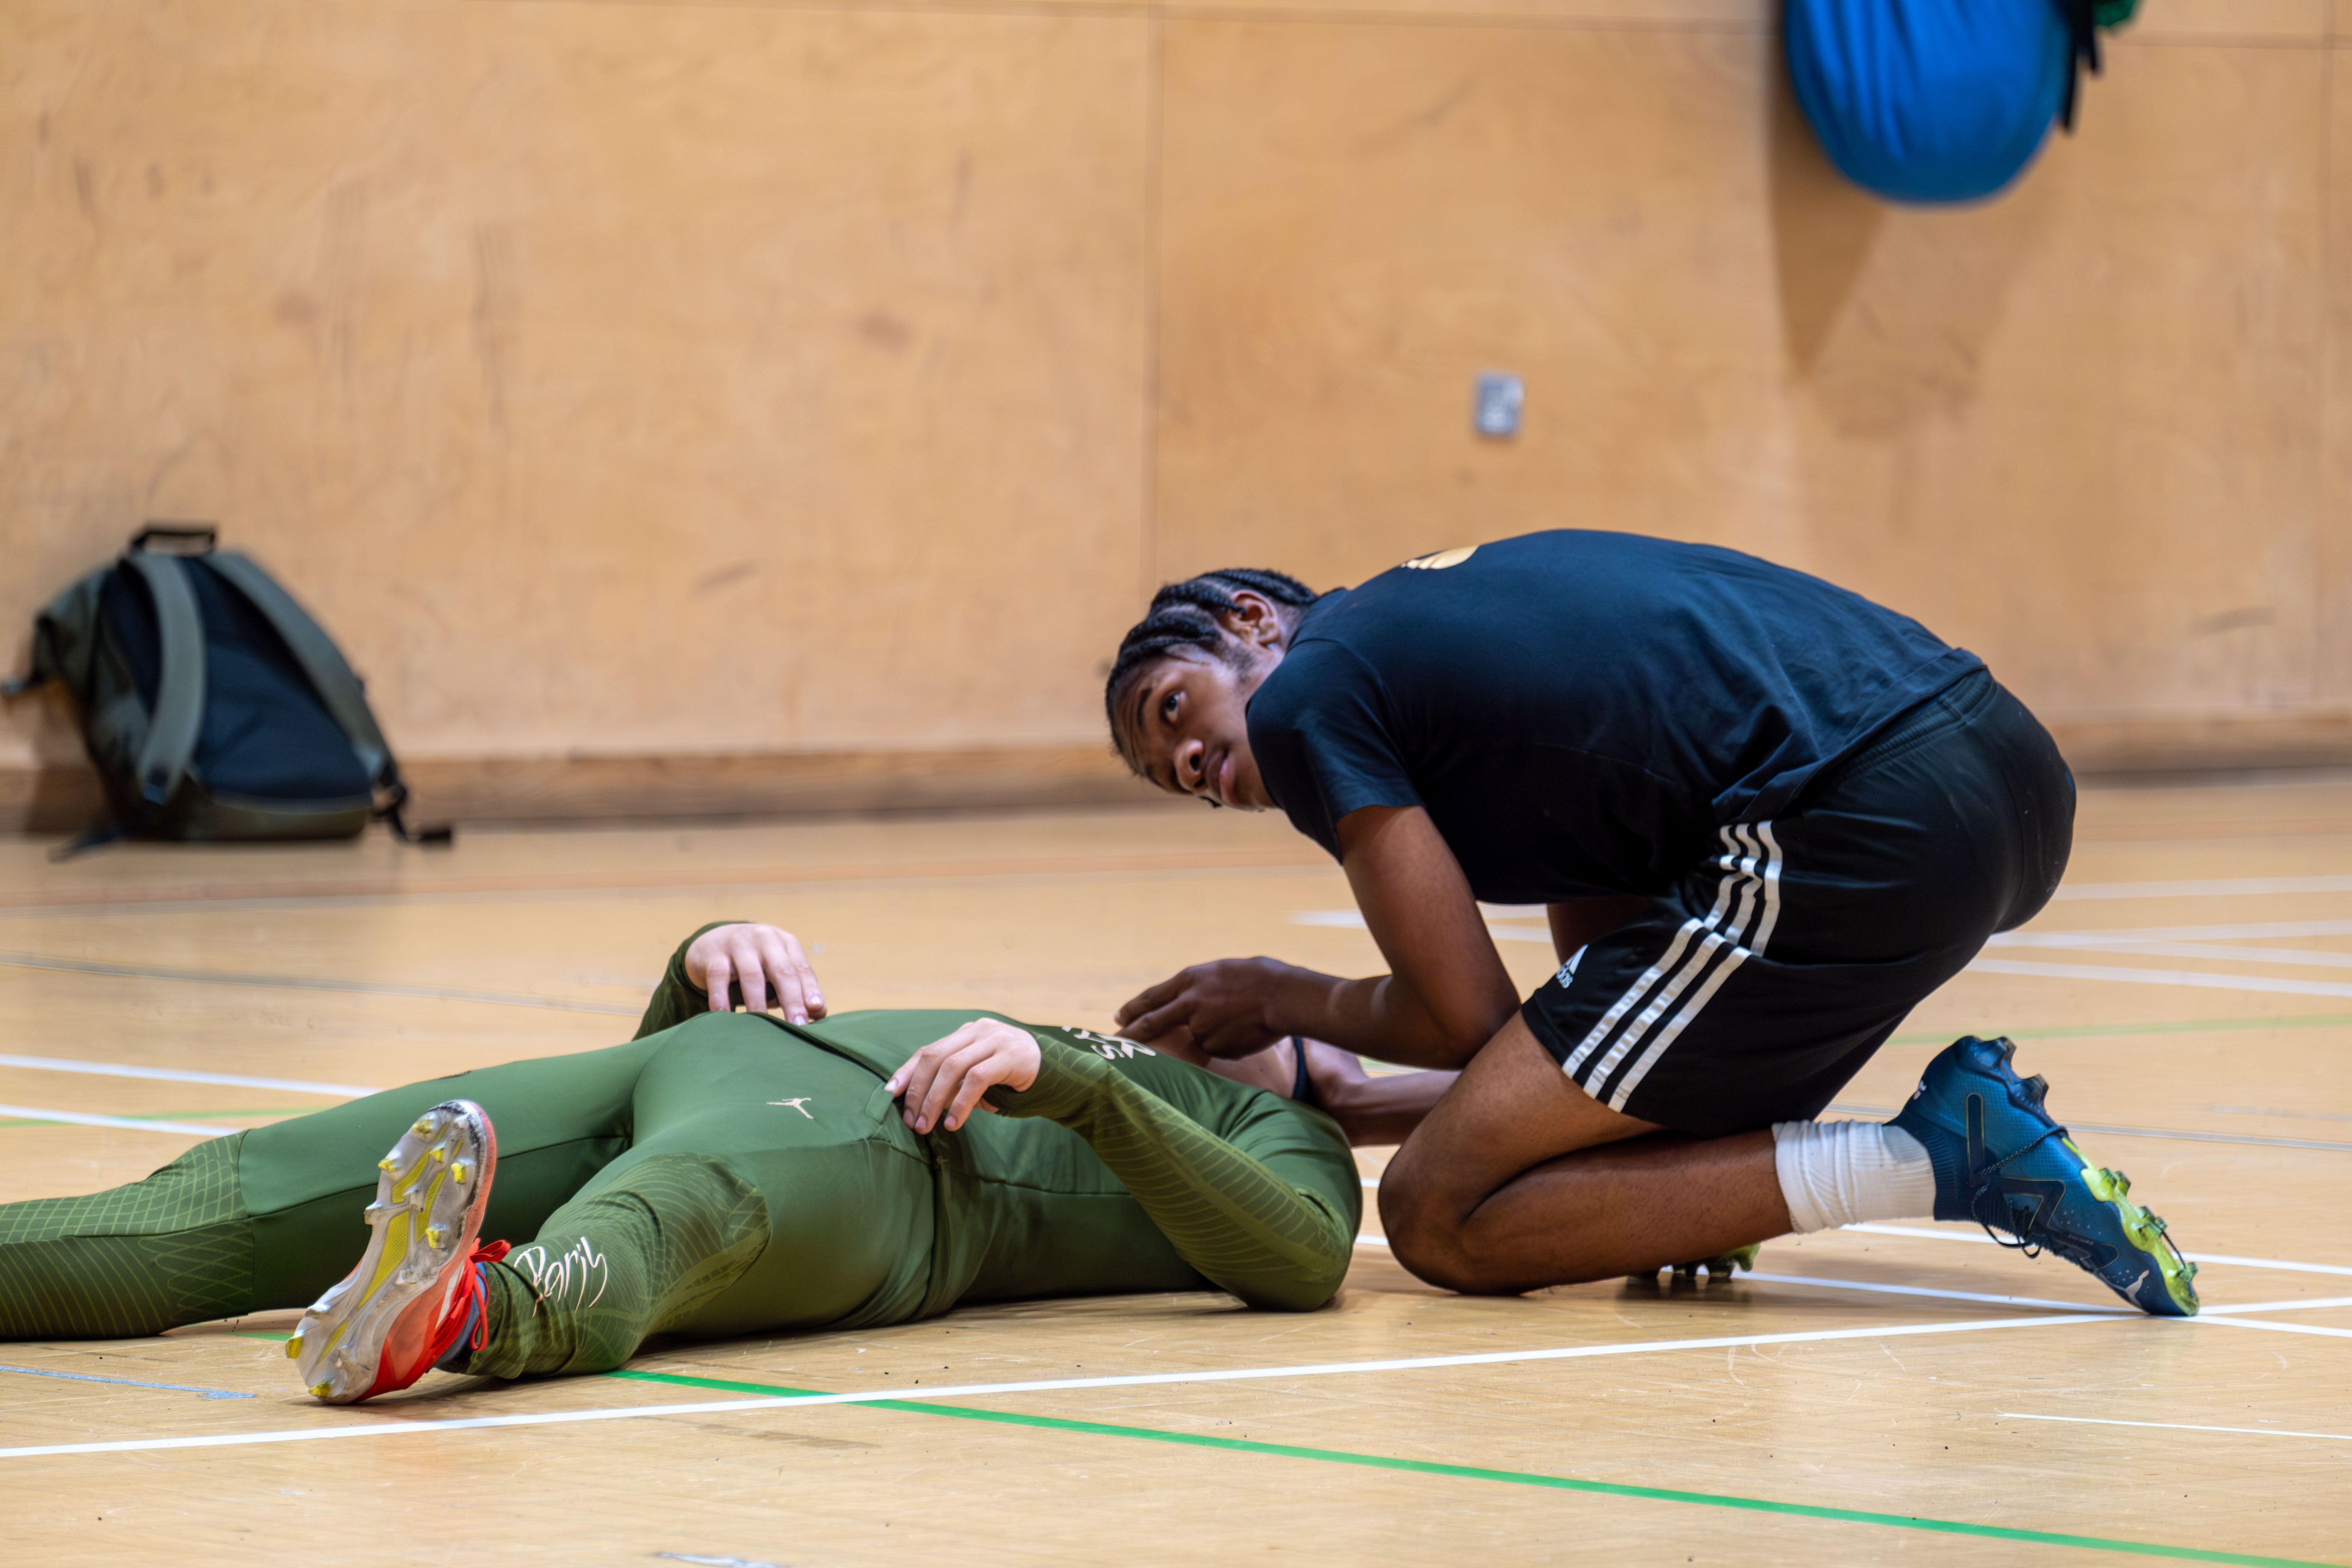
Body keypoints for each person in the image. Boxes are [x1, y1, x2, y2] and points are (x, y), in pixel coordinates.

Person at [1101, 529, 2198, 1316]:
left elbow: (1461, 1018)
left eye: (1175, 714)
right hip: (2000, 778)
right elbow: (1573, 1062)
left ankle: (1933, 1159)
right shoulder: (1439, 649)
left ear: (1250, 621)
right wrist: (1346, 1097)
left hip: (1853, 809)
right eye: (1176, 781)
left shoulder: (1309, 701)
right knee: (1636, 1131)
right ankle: (1823, 1175)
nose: (1195, 768)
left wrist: (1281, 998)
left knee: (1435, 1216)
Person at [0, 921, 1402, 1403]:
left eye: (1271, 1014)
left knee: (687, 1210)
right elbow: (680, 1062)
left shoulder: (1280, 1132)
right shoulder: (1095, 1044)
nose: (1220, 1007)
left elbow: (1291, 1263)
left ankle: (456, 1315)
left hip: (902, 1173)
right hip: (708, 1062)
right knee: (248, 1196)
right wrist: (701, 963)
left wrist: (1094, 1087)